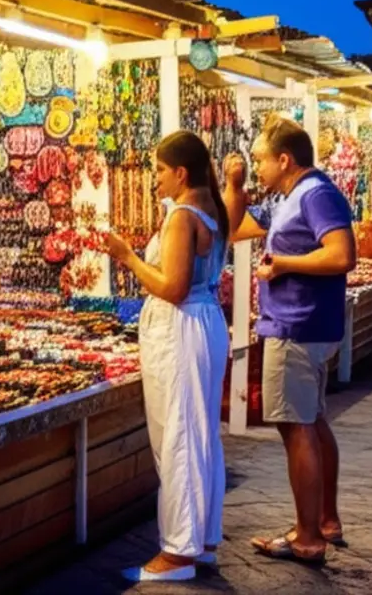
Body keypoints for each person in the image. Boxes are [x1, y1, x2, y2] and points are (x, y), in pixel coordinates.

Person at [223, 116, 355, 565]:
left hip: (297, 326)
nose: (258, 166)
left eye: (260, 159)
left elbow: (342, 255)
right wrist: (234, 183)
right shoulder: (290, 198)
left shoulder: (315, 194)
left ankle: (308, 537)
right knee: (313, 421)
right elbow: (234, 228)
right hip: (304, 324)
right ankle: (325, 521)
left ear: (285, 159)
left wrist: (284, 266)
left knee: (296, 426)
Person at [105, 131, 230, 583]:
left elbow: (172, 288)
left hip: (180, 328)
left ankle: (178, 552)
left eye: (158, 170)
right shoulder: (213, 208)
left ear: (180, 172)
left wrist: (127, 258)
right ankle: (202, 539)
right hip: (203, 322)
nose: (153, 179)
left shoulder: (182, 216)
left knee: (177, 435)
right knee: (199, 434)